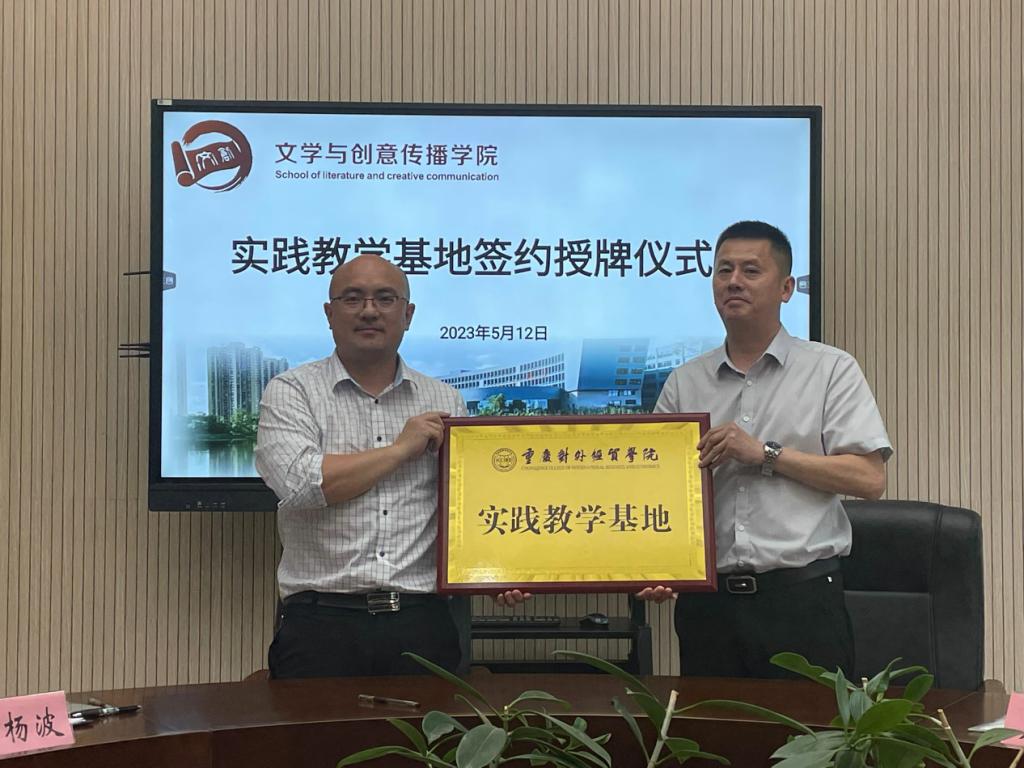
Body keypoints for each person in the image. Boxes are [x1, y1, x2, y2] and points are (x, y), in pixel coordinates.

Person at [638, 221, 892, 679]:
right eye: (723, 270)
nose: (733, 281)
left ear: (786, 288)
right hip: (708, 610)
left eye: (751, 270)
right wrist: (658, 565)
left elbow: (869, 479)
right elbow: (659, 490)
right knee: (710, 725)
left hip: (802, 602)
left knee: (809, 726)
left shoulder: (830, 370)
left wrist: (765, 454)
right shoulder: (684, 382)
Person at [255, 253, 525, 679]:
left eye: (385, 298)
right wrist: (400, 450)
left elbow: (466, 508)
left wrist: (492, 571)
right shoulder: (292, 390)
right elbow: (303, 485)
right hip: (320, 624)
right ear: (329, 313)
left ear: (408, 314)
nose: (369, 311)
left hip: (422, 623)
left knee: (433, 727)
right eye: (352, 298)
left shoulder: (445, 399)